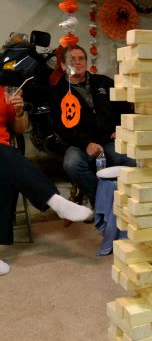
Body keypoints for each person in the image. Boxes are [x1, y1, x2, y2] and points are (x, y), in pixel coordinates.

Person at [0, 86, 92, 275]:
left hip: (3, 155)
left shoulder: (4, 91)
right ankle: (56, 201)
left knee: (6, 167)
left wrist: (19, 112)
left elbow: (20, 128)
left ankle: (57, 203)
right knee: (7, 157)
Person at [50, 45, 136, 209]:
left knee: (130, 160)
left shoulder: (103, 82)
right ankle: (101, 201)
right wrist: (85, 144)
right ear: (62, 65)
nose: (77, 62)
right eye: (71, 59)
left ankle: (129, 202)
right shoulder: (58, 92)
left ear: (86, 62)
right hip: (79, 144)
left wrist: (121, 129)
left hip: (109, 139)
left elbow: (125, 108)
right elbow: (60, 127)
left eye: (81, 58)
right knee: (72, 163)